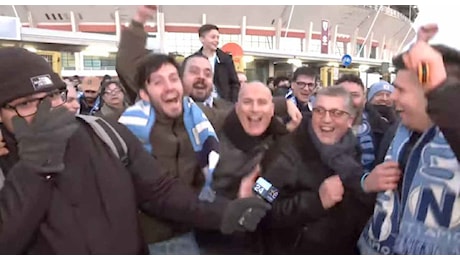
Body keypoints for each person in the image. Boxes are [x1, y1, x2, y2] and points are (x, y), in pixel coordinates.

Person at [0, 47, 271, 254]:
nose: (47, 111)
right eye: (26, 104)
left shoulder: (104, 134)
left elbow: (160, 191)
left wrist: (224, 213)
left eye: (51, 97)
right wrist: (33, 170)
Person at [358, 24, 460, 255]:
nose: (392, 98)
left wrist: (435, 81)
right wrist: (367, 182)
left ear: (431, 94)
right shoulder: (398, 133)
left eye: (400, 90)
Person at [258, 85, 372, 254]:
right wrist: (316, 202)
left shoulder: (351, 148)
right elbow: (262, 199)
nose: (326, 119)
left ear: (350, 120)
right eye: (319, 111)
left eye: (336, 113)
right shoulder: (287, 151)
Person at [195, 81, 290, 254]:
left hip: (263, 241)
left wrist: (258, 192)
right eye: (247, 102)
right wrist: (236, 200)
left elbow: (280, 193)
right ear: (237, 107)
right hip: (215, 241)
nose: (255, 109)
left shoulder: (280, 142)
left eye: (262, 102)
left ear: (272, 109)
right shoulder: (212, 141)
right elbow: (195, 195)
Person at [194, 23, 240, 102]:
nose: (216, 40)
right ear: (202, 39)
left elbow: (235, 84)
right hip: (200, 105)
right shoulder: (193, 61)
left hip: (223, 105)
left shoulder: (226, 60)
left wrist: (231, 103)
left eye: (218, 38)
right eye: (213, 37)